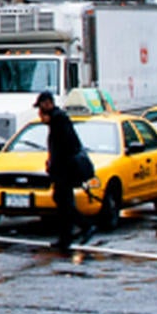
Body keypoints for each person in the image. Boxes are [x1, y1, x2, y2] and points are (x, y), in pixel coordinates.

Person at [36, 90, 93, 250]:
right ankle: (66, 238)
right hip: (62, 170)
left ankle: (84, 226)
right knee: (63, 203)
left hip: (64, 171)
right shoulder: (58, 121)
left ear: (48, 104)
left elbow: (63, 148)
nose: (40, 114)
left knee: (63, 202)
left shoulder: (59, 120)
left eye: (41, 109)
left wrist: (54, 167)